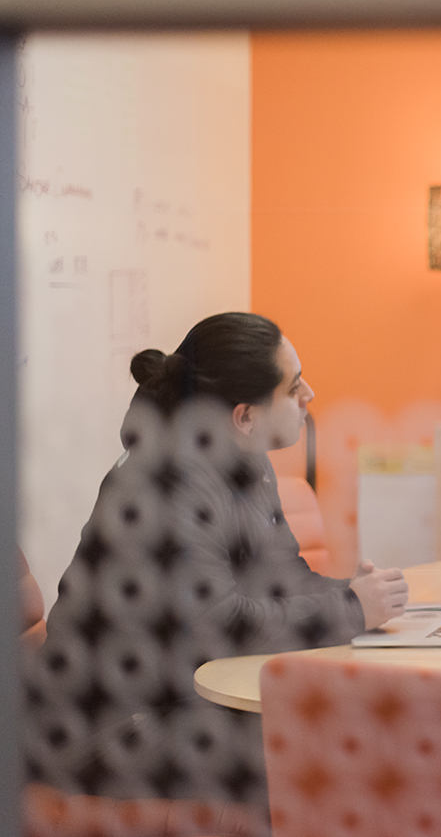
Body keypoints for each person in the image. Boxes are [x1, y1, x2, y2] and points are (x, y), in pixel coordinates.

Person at [23, 312, 408, 808]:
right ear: (244, 416)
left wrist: (350, 595)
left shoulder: (243, 460)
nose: (309, 395)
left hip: (172, 699)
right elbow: (219, 625)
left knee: (342, 726)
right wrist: (352, 611)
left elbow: (283, 576)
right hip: (104, 736)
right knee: (321, 748)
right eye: (293, 388)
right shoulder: (165, 481)